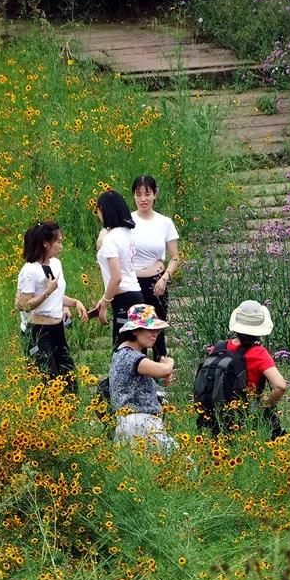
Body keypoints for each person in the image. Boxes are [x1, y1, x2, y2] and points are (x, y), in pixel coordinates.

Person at [197, 300, 288, 439]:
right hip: (245, 416)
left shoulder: (220, 346)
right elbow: (280, 386)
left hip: (216, 415)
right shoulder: (259, 353)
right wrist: (265, 406)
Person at [15, 221, 89, 392]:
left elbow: (56, 296)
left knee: (70, 379)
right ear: (45, 244)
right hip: (39, 332)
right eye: (58, 241)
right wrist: (46, 292)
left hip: (57, 329)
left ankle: (73, 416)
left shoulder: (55, 264)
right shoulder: (29, 270)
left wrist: (75, 302)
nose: (61, 246)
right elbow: (22, 305)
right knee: (50, 382)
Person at [109, 304, 175, 447]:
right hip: (139, 424)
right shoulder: (131, 357)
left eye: (156, 330)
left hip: (132, 424)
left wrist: (161, 379)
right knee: (185, 465)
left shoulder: (123, 354)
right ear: (134, 331)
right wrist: (169, 362)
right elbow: (164, 370)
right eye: (149, 329)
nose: (155, 334)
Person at [130, 175, 180, 360]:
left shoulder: (164, 222)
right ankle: (140, 374)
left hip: (157, 282)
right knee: (137, 331)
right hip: (133, 284)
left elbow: (175, 257)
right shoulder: (127, 221)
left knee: (157, 330)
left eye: (147, 194)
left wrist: (164, 278)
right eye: (138, 194)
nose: (143, 199)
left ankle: (162, 375)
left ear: (154, 195)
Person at [93, 191, 143, 348]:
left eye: (98, 210)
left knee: (122, 348)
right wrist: (105, 298)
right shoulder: (129, 234)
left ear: (104, 210)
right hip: (134, 294)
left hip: (123, 299)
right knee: (135, 347)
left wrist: (105, 304)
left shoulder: (111, 238)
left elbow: (116, 277)